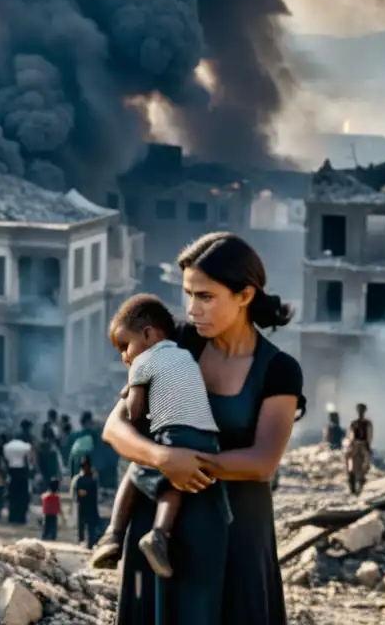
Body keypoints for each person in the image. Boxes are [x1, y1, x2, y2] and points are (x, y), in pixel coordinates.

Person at [103, 231, 304, 624]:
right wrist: (163, 457)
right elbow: (115, 426)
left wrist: (189, 463)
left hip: (235, 534)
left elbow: (263, 463)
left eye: (205, 297)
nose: (193, 309)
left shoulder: (279, 370)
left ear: (244, 295)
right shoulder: (174, 342)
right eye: (188, 294)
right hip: (157, 535)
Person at [90, 294, 227, 578]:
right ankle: (160, 534)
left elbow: (134, 412)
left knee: (137, 470)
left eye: (125, 346)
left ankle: (113, 534)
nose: (124, 356)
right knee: (175, 485)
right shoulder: (185, 354)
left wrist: (131, 389)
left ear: (148, 334)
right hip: (207, 438)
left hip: (173, 432)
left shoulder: (144, 361)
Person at [71, 455, 101, 549]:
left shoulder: (88, 479)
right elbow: (79, 493)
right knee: (84, 524)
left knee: (89, 525)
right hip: (85, 504)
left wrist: (84, 494)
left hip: (88, 504)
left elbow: (81, 493)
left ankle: (90, 542)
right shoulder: (85, 479)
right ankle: (85, 541)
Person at [4, 431, 34, 525]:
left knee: (12, 496)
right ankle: (21, 518)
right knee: (22, 496)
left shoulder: (7, 446)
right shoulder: (26, 446)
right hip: (22, 472)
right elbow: (29, 460)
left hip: (12, 471)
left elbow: (6, 460)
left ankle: (12, 517)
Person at [345, 404, 373, 495]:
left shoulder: (367, 423)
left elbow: (369, 435)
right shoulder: (354, 423)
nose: (360, 412)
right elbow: (351, 436)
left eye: (362, 410)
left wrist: (367, 447)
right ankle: (352, 487)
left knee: (363, 467)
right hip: (355, 446)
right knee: (351, 467)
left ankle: (359, 487)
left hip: (363, 445)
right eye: (359, 410)